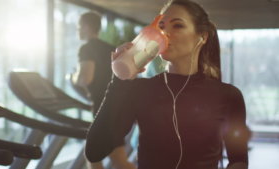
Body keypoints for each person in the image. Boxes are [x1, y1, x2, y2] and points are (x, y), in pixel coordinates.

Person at [85, 0, 251, 169]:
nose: (164, 33)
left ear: (202, 36)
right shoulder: (141, 90)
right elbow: (94, 151)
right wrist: (119, 80)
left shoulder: (228, 96)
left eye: (177, 26)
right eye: (161, 27)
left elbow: (238, 160)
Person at [71, 11, 134, 169]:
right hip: (118, 106)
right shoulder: (111, 48)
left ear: (86, 27)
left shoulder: (86, 49)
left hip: (103, 109)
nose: (77, 30)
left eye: (78, 26)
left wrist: (72, 77)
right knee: (116, 159)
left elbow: (85, 78)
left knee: (96, 156)